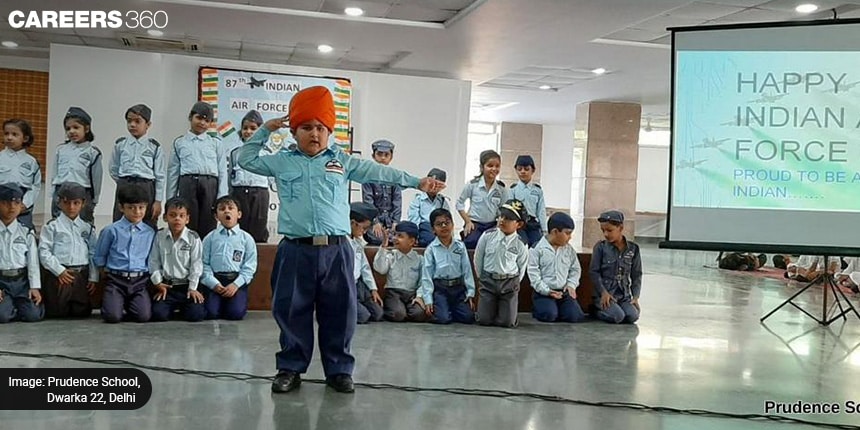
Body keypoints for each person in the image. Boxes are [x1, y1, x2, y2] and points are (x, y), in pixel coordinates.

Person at [237, 86, 444, 394]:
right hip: (296, 250)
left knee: (340, 312)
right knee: (292, 310)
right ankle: (290, 368)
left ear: (329, 131)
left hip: (336, 251)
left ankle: (339, 370)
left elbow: (379, 172)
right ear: (294, 132)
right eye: (306, 128)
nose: (314, 134)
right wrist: (266, 129)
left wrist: (416, 182)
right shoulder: (281, 161)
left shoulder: (342, 162)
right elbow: (246, 158)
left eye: (321, 128)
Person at [92, 184, 155, 323]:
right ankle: (114, 303)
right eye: (131, 207)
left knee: (143, 316)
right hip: (116, 280)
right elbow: (99, 256)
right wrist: (103, 275)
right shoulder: (111, 230)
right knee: (112, 317)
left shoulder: (150, 233)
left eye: (141, 207)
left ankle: (126, 304)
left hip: (140, 281)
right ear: (121, 207)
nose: (137, 212)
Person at [166, 101, 229, 238]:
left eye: (207, 120)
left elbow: (222, 171)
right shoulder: (180, 142)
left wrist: (222, 197)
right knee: (188, 222)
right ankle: (187, 254)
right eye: (199, 118)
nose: (202, 123)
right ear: (190, 117)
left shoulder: (215, 143)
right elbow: (173, 172)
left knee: (209, 222)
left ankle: (205, 254)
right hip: (187, 184)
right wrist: (170, 200)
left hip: (209, 184)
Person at [38, 183, 97, 318]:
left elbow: (93, 253)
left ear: (83, 203)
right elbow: (44, 252)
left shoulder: (87, 228)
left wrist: (93, 278)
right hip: (59, 275)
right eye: (66, 202)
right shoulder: (52, 227)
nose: (71, 207)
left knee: (81, 312)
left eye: (76, 203)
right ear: (59, 203)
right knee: (58, 313)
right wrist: (59, 270)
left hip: (81, 274)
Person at [200, 195, 257, 320]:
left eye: (231, 208)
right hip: (215, 281)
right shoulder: (210, 238)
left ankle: (233, 302)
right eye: (222, 209)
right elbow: (203, 263)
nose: (227, 211)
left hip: (236, 281)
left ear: (239, 214)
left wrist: (236, 285)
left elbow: (249, 267)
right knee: (211, 313)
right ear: (216, 216)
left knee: (235, 314)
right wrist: (213, 284)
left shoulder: (246, 239)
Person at [415, 208, 476, 325]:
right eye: (439, 224)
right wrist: (428, 299)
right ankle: (444, 309)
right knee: (443, 319)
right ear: (433, 229)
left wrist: (470, 293)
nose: (444, 226)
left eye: (447, 222)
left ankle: (449, 309)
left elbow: (467, 271)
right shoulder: (431, 249)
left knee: (468, 317)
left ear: (452, 225)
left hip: (458, 288)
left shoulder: (460, 246)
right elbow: (426, 277)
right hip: (440, 289)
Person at [149, 197, 205, 322]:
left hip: (187, 286)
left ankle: (185, 308)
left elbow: (197, 264)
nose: (177, 219)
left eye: (181, 215)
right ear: (165, 217)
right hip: (167, 287)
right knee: (158, 314)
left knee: (196, 315)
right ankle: (173, 308)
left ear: (187, 219)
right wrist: (158, 283)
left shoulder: (193, 238)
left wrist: (193, 288)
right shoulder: (159, 236)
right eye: (172, 215)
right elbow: (154, 261)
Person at [474, 199, 529, 328]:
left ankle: (504, 311)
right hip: (488, 281)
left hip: (509, 284)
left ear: (519, 224)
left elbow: (522, 266)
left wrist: (514, 283)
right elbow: (478, 258)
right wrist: (481, 277)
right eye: (501, 216)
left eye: (508, 219)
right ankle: (491, 309)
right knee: (484, 320)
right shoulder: (487, 235)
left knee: (507, 322)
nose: (502, 220)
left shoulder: (521, 243)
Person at [110, 104, 164, 230]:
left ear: (148, 124)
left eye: (137, 121)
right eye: (129, 121)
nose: (132, 125)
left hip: (146, 186)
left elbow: (160, 175)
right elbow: (113, 168)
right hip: (125, 184)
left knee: (147, 223)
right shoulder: (121, 144)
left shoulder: (154, 147)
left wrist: (158, 201)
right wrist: (123, 182)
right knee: (120, 220)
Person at [529, 212, 587, 323]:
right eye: (567, 233)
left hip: (563, 292)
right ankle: (543, 308)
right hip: (545, 292)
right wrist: (547, 291)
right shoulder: (537, 249)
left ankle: (560, 309)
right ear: (555, 232)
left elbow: (575, 269)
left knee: (574, 316)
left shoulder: (568, 250)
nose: (570, 238)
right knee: (549, 315)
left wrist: (571, 285)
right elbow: (534, 275)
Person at [50, 107, 102, 223]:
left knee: (83, 222)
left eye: (76, 127)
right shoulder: (61, 150)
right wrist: (53, 194)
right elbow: (55, 174)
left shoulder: (93, 152)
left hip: (82, 192)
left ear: (87, 128)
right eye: (68, 129)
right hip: (61, 191)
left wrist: (94, 200)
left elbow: (96, 178)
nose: (72, 131)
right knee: (58, 222)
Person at [227, 110, 272, 243]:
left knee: (258, 227)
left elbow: (271, 177)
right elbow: (230, 176)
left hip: (260, 192)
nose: (248, 131)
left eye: (253, 128)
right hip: (239, 193)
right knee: (239, 229)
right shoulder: (235, 153)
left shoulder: (266, 153)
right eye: (245, 128)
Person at [589, 210, 641, 324]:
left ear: (621, 228)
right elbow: (594, 272)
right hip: (605, 295)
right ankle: (596, 310)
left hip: (623, 295)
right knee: (618, 317)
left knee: (633, 316)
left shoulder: (633, 249)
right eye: (603, 231)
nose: (606, 234)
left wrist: (635, 296)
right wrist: (603, 292)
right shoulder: (600, 247)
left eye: (609, 230)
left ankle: (618, 308)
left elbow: (636, 274)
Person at [0, 184, 43, 323]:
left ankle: (15, 306)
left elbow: (33, 263)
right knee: (2, 317)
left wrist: (34, 287)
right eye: (6, 202)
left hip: (21, 282)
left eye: (16, 202)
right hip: (1, 282)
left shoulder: (26, 232)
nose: (12, 207)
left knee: (34, 315)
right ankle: (10, 307)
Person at [373, 221, 428, 322]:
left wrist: (419, 296)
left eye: (400, 236)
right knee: (398, 314)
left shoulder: (419, 259)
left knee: (419, 314)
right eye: (394, 235)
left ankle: (405, 311)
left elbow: (423, 281)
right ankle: (398, 311)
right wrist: (384, 246)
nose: (395, 238)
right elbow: (380, 269)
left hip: (412, 294)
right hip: (394, 293)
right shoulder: (391, 256)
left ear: (412, 241)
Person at [457, 149, 509, 249]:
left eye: (497, 166)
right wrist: (467, 221)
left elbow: (504, 209)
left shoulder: (501, 189)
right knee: (472, 242)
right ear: (481, 167)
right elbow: (459, 203)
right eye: (490, 165)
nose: (494, 169)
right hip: (475, 223)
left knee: (495, 245)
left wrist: (500, 223)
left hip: (493, 224)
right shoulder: (472, 185)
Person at [1, 119, 41, 228]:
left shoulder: (31, 161)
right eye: (6, 134)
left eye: (14, 134)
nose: (9, 137)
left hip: (22, 201)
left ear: (25, 138)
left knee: (24, 230)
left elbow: (35, 186)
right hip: (2, 200)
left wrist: (25, 203)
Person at [348, 202, 384, 324]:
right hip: (347, 286)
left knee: (378, 314)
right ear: (353, 223)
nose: (364, 232)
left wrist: (373, 289)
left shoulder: (357, 242)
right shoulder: (341, 243)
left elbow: (365, 267)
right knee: (363, 317)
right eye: (363, 228)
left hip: (359, 286)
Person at [362, 139, 401, 245]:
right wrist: (375, 222)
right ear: (373, 156)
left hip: (390, 221)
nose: (383, 158)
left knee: (401, 238)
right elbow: (368, 202)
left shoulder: (395, 178)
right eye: (379, 154)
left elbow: (397, 203)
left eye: (386, 155)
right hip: (375, 221)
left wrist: (395, 223)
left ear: (391, 158)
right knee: (377, 238)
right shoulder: (367, 178)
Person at [509, 155, 547, 247]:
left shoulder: (537, 190)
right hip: (519, 225)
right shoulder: (513, 190)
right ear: (516, 170)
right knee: (522, 245)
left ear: (533, 170)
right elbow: (510, 211)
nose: (523, 172)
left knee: (537, 245)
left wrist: (544, 230)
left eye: (526, 169)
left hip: (533, 225)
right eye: (519, 169)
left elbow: (541, 211)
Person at [407, 168, 450, 247]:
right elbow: (414, 219)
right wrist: (414, 235)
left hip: (439, 227)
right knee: (430, 239)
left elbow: (448, 219)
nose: (435, 188)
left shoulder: (443, 201)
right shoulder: (418, 200)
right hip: (424, 227)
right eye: (432, 184)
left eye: (439, 186)